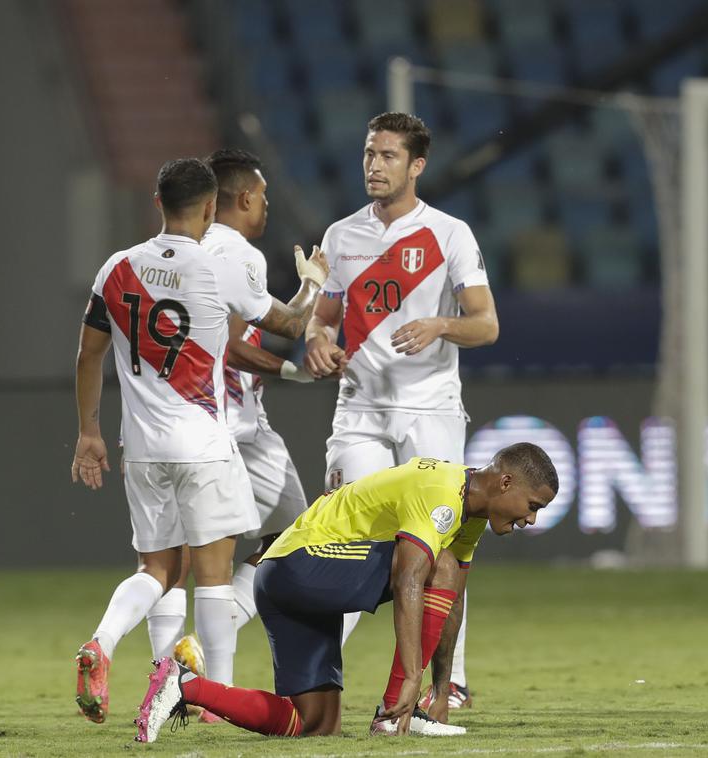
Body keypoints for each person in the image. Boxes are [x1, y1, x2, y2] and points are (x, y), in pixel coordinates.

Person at [71, 157, 330, 724]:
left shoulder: (116, 267)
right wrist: (312, 281)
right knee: (215, 577)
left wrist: (89, 430)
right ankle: (216, 699)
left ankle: (104, 644)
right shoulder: (216, 268)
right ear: (212, 209)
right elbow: (289, 324)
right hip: (205, 442)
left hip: (139, 447)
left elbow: (89, 354)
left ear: (156, 201)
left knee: (158, 570)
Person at [134, 443, 559, 743]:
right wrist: (412, 679)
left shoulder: (472, 515)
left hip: (283, 578)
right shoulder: (443, 493)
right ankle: (393, 715)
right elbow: (411, 578)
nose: (532, 519)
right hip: (301, 564)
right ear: (506, 482)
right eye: (533, 505)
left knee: (315, 723)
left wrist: (442, 690)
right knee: (438, 563)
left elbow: (452, 598)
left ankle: (184, 686)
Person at [304, 111, 499, 709]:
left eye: (388, 156)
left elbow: (487, 325)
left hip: (431, 409)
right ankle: (320, 680)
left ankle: (449, 680)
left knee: (439, 549)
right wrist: (315, 336)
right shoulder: (341, 237)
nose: (374, 166)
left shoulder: (449, 234)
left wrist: (441, 324)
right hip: (360, 408)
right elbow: (323, 315)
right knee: (352, 541)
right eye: (369, 153)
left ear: (417, 165)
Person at [141, 149, 323, 684]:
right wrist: (313, 283)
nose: (266, 205)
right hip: (233, 425)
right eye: (263, 196)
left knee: (175, 560)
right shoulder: (239, 253)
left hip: (177, 424)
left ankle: (168, 667)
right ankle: (206, 665)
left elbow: (220, 339)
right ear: (243, 198)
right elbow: (288, 325)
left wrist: (288, 375)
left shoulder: (181, 252)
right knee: (294, 535)